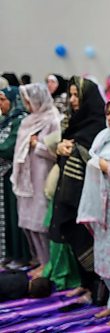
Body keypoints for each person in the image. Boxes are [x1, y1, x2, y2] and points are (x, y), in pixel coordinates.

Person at [49, 76, 106, 302]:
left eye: (76, 95)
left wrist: (73, 150)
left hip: (87, 193)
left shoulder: (97, 123)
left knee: (86, 238)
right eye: (71, 95)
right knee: (74, 235)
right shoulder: (74, 121)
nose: (72, 100)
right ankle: (85, 284)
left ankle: (95, 287)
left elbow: (94, 154)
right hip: (70, 190)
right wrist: (60, 149)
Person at [76, 95, 110, 326]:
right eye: (108, 113)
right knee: (104, 258)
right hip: (101, 204)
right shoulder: (102, 136)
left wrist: (105, 166)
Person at [12, 84, 61, 278]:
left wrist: (37, 145)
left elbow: (56, 151)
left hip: (42, 177)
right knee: (28, 223)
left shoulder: (53, 119)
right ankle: (39, 261)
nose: (27, 105)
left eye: (29, 101)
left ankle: (48, 264)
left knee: (41, 224)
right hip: (26, 179)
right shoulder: (27, 121)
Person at [0, 86, 30, 268]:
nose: (0, 104)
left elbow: (9, 146)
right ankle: (8, 255)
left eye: (3, 99)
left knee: (13, 217)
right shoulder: (5, 120)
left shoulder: (20, 120)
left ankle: (19, 256)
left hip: (13, 174)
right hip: (4, 174)